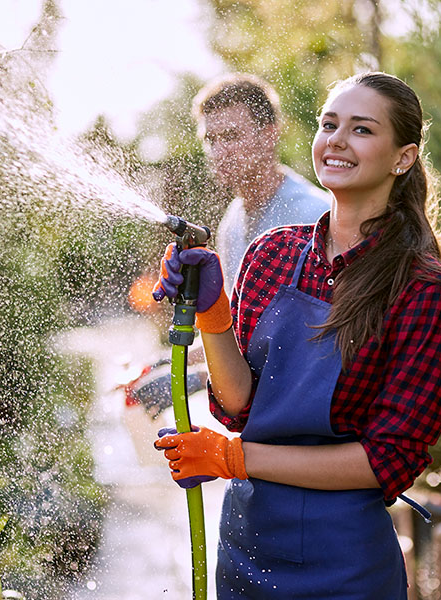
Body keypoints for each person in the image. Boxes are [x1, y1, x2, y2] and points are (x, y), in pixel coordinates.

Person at [152, 72, 441, 598]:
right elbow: (240, 405)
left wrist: (234, 459)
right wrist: (212, 313)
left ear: (403, 158)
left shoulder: (422, 290)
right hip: (246, 548)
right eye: (329, 124)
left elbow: (385, 460)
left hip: (342, 565)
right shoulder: (271, 253)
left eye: (362, 129)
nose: (337, 139)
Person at [124, 74, 329, 411]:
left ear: (269, 134)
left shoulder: (312, 217)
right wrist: (175, 362)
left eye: (231, 136)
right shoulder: (232, 224)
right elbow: (240, 334)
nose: (219, 151)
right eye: (211, 139)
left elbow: (306, 349)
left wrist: (196, 377)